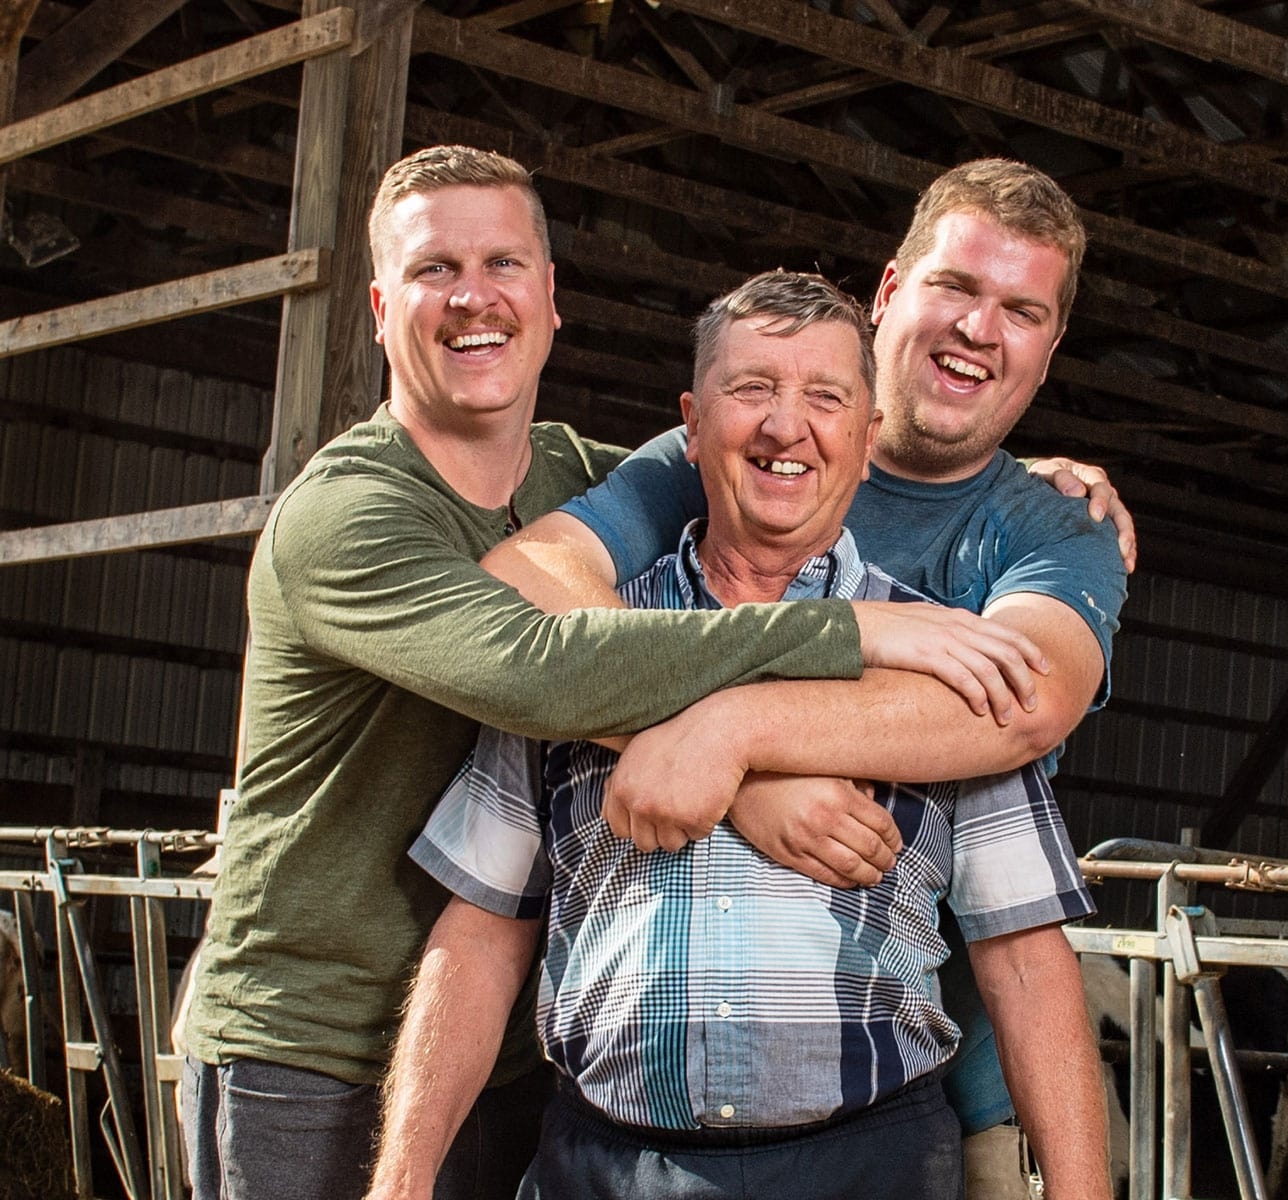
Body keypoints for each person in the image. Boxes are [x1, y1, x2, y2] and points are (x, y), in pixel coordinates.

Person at [180, 145, 1124, 1200]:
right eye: (435, 269)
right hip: (327, 1038)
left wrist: (728, 740)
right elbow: (530, 659)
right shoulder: (389, 519)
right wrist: (768, 753)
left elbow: (1027, 749)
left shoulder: (577, 477)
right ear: (690, 422)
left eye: (1022, 310)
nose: (783, 426)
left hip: (833, 1131)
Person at [466, 157, 1128, 1196]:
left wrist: (731, 741)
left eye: (1022, 309)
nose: (978, 328)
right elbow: (526, 588)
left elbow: (1021, 703)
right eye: (955, 287)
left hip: (949, 1101)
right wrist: (749, 782)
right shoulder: (721, 457)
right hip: (624, 1118)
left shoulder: (1051, 528)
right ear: (891, 292)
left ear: (1048, 352)